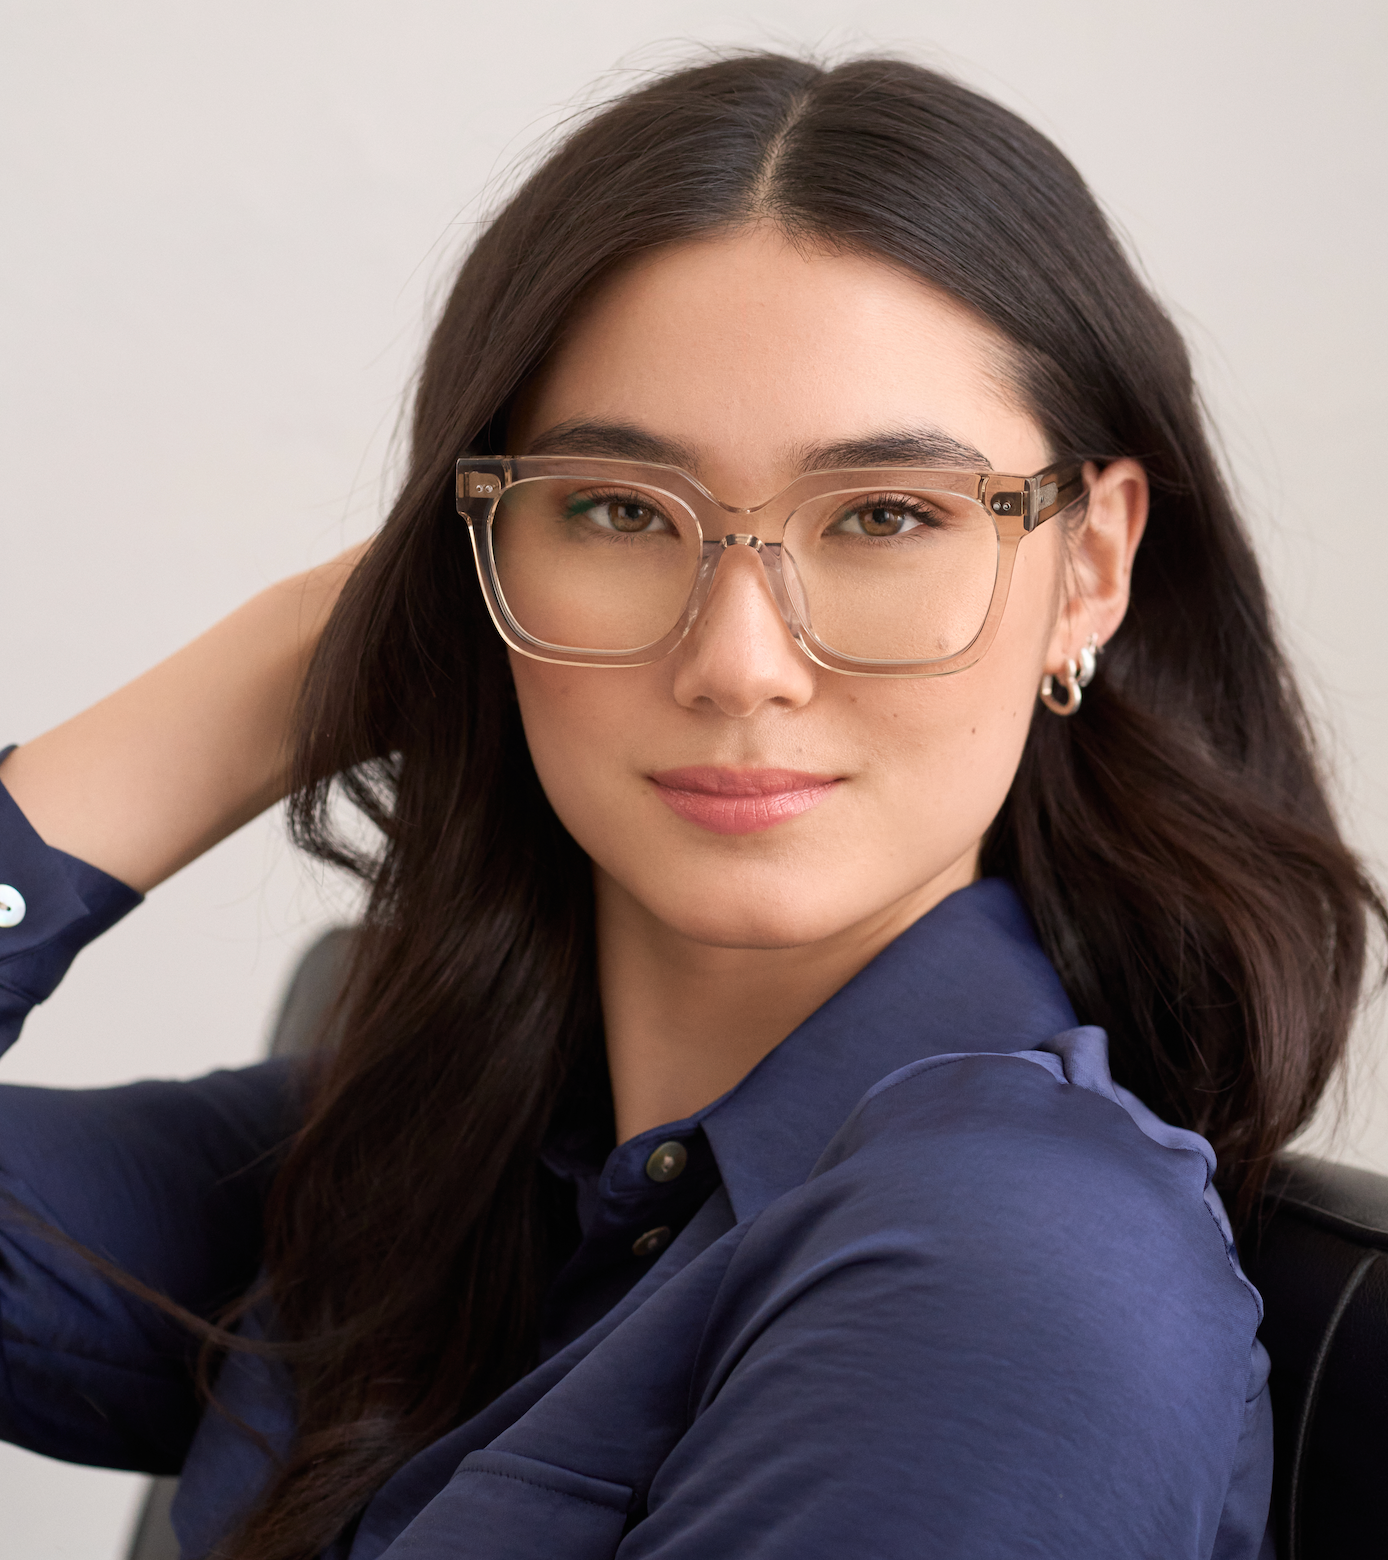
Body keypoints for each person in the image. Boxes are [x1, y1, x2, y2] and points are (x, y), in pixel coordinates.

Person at [0, 50, 1378, 1560]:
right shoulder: (418, 1150)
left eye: (885, 517)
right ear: (482, 568)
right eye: (614, 510)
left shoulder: (1014, 1267)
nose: (738, 663)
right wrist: (279, 669)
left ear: (1090, 568)